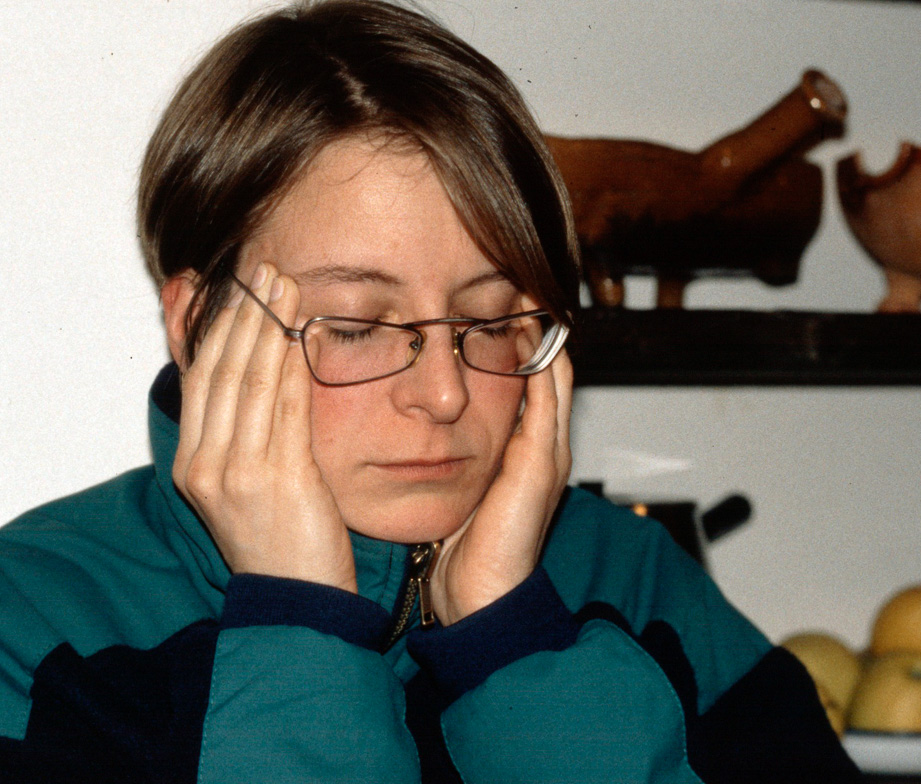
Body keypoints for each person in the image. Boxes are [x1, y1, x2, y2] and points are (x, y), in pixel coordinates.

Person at [0, 1, 861, 781]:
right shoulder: (32, 623)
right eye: (355, 326)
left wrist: (513, 646)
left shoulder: (638, 587)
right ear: (197, 324)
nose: (445, 395)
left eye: (490, 322)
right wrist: (300, 628)